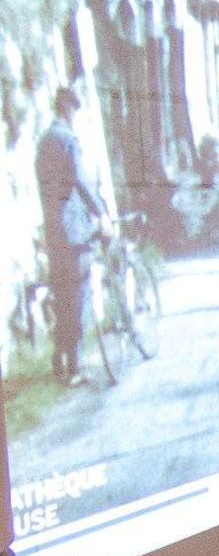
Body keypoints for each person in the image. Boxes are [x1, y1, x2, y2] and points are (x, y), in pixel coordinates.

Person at [35, 88, 107, 386]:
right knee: (77, 298)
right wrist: (101, 212)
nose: (76, 116)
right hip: (74, 232)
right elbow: (81, 180)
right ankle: (75, 368)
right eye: (75, 110)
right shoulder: (68, 140)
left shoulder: (44, 142)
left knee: (62, 296)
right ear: (66, 108)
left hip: (53, 231)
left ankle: (59, 360)